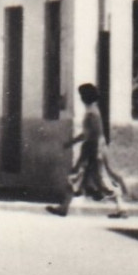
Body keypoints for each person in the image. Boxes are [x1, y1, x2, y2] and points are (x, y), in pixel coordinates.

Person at [48, 83, 127, 219]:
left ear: (85, 97)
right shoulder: (92, 112)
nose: (80, 98)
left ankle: (121, 207)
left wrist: (72, 143)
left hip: (92, 151)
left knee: (93, 181)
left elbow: (90, 135)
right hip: (92, 150)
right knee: (78, 178)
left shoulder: (92, 114)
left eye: (82, 95)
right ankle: (63, 208)